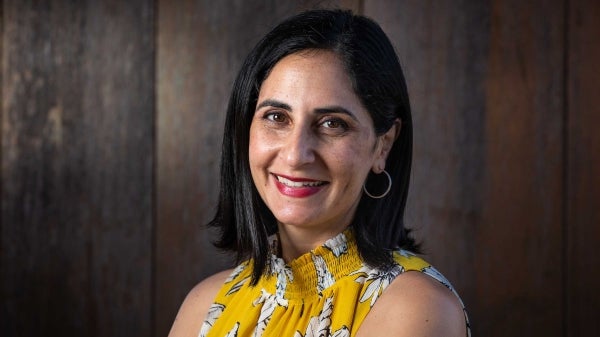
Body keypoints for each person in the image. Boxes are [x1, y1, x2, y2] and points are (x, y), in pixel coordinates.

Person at [169, 9, 471, 337]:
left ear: (383, 145)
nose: (296, 155)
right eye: (276, 117)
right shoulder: (206, 306)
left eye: (332, 124)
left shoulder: (415, 307)